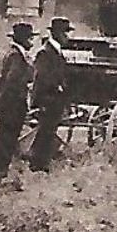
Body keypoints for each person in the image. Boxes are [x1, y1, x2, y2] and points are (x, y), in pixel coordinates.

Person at [0, 22, 37, 178]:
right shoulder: (16, 56)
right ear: (22, 39)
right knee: (7, 138)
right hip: (13, 105)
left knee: (6, 137)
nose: (32, 42)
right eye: (29, 38)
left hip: (11, 103)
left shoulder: (14, 53)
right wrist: (19, 97)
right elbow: (12, 82)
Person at [27, 17, 74, 172]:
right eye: (66, 33)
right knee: (45, 130)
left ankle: (41, 162)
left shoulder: (56, 51)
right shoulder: (45, 52)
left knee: (49, 129)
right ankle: (37, 162)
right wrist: (56, 88)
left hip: (54, 98)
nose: (68, 37)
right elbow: (41, 77)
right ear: (57, 34)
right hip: (47, 98)